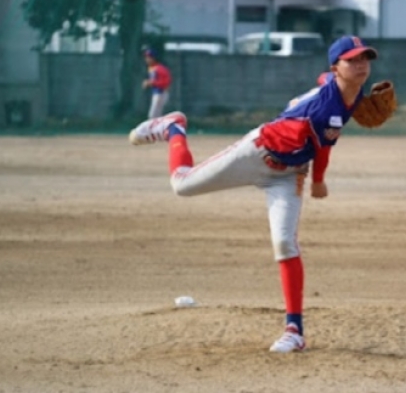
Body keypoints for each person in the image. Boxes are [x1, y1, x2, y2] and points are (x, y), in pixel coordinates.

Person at [128, 35, 378, 353]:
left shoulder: (349, 91)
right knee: (182, 185)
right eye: (352, 60)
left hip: (287, 175)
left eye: (365, 58)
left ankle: (294, 331)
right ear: (336, 67)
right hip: (256, 153)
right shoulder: (326, 109)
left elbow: (322, 80)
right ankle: (173, 128)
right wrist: (318, 181)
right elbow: (323, 150)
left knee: (285, 242)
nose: (361, 64)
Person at [142, 49, 172, 120]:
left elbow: (166, 81)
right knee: (156, 116)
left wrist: (151, 82)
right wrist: (149, 82)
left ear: (154, 58)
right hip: (156, 93)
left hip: (161, 93)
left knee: (153, 115)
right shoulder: (151, 68)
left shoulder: (160, 68)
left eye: (149, 57)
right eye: (146, 57)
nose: (147, 59)